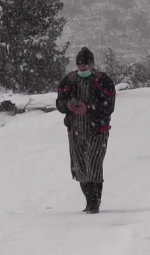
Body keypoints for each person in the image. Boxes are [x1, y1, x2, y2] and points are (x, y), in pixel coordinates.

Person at [56, 47, 116, 214]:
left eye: (85, 65)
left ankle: (94, 204)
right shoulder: (69, 81)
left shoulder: (103, 81)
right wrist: (66, 106)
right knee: (80, 167)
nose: (82, 69)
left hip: (97, 130)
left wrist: (89, 108)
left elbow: (109, 105)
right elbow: (59, 102)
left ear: (92, 64)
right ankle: (88, 202)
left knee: (94, 166)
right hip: (75, 129)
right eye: (80, 66)